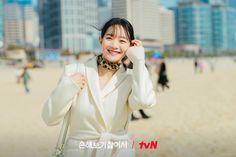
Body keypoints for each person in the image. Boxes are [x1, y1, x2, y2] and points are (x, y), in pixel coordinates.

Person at [42, 18, 156, 157]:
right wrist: (68, 86)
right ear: (100, 40)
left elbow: (143, 101)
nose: (115, 45)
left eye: (122, 41)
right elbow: (50, 118)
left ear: (130, 46)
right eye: (109, 38)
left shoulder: (131, 78)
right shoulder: (75, 71)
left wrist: (139, 61)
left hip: (117, 152)